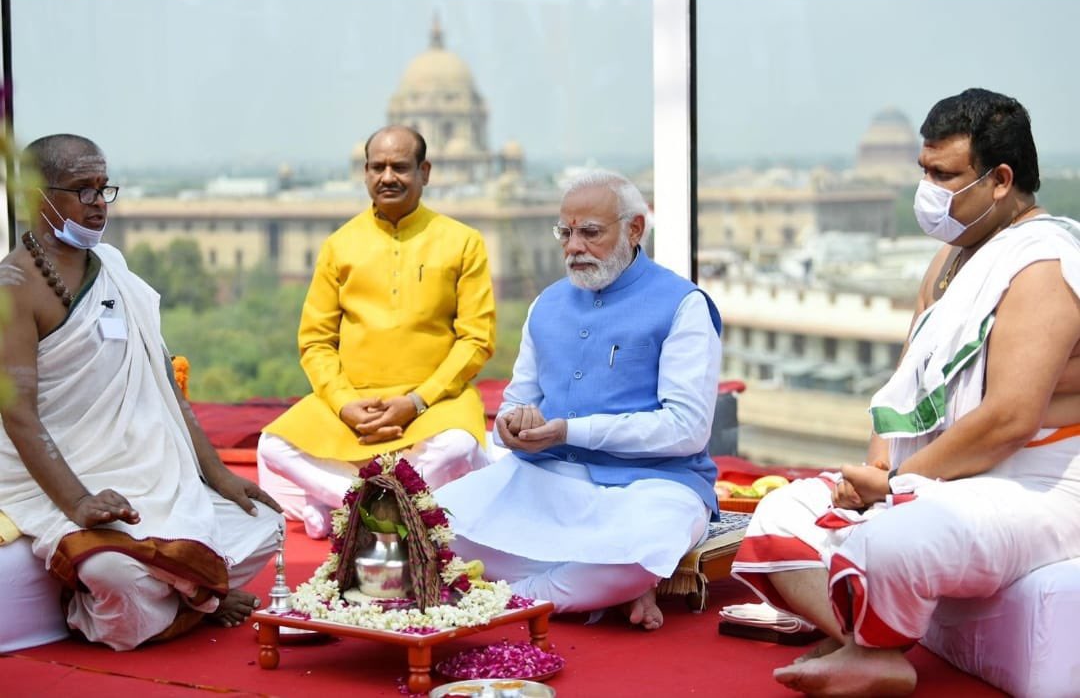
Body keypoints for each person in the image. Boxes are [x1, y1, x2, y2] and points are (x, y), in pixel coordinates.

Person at [730, 88, 1080, 696]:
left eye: (943, 175)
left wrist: (896, 488)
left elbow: (1009, 420)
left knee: (892, 539)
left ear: (1000, 179)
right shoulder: (951, 260)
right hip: (943, 477)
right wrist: (872, 472)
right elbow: (907, 384)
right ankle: (869, 650)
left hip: (1033, 482)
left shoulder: (1042, 264)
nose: (928, 189)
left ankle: (867, 646)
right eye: (923, 171)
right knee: (780, 516)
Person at [0, 134, 283, 651]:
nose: (97, 205)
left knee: (264, 522)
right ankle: (199, 598)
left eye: (103, 189)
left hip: (147, 478)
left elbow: (164, 383)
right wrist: (80, 502)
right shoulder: (12, 286)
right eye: (82, 190)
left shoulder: (115, 271)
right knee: (114, 572)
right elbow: (17, 414)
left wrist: (219, 475)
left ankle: (181, 598)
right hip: (60, 481)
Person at [435, 169, 722, 631]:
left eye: (590, 233)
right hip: (549, 476)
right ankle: (592, 590)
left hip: (651, 486)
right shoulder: (546, 305)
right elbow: (517, 400)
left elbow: (686, 429)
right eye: (565, 233)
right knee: (431, 524)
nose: (573, 247)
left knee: (643, 551)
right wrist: (512, 427)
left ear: (634, 230)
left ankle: (516, 597)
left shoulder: (682, 304)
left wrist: (571, 429)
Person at [258, 125, 496, 538]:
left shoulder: (462, 242)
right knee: (272, 446)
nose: (388, 177)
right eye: (377, 167)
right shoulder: (340, 245)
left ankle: (343, 506)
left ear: (425, 171)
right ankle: (372, 506)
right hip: (357, 402)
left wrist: (417, 402)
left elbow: (477, 339)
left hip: (433, 402)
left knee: (458, 446)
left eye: (400, 167)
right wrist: (345, 403)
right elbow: (315, 341)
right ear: (365, 172)